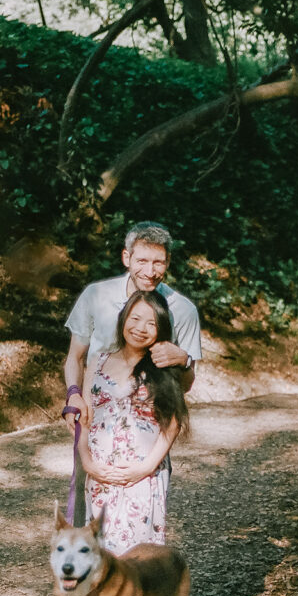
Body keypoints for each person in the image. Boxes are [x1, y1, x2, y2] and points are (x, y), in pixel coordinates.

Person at [62, 221, 202, 524]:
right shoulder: (96, 296)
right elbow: (75, 357)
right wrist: (74, 394)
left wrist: (184, 360)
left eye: (158, 262)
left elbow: (186, 386)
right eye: (141, 260)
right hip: (96, 422)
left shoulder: (183, 310)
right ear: (126, 257)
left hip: (145, 432)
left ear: (167, 263)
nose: (150, 271)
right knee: (86, 514)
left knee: (139, 517)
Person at [78, 289, 189, 553]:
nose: (141, 328)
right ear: (123, 318)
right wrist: (87, 462)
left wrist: (145, 468)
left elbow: (173, 423)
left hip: (142, 477)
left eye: (151, 323)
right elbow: (85, 418)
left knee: (136, 559)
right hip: (100, 475)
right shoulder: (98, 361)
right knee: (98, 556)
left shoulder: (161, 366)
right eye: (135, 318)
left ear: (161, 329)